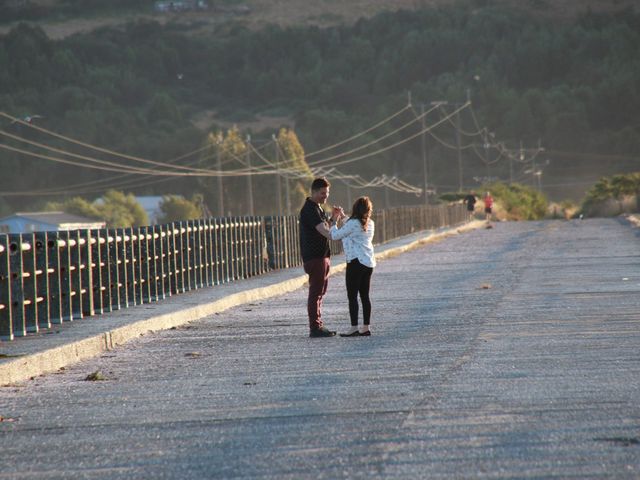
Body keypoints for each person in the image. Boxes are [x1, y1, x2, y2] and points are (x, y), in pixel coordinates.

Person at [299, 177, 341, 338]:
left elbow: (325, 227)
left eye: (327, 193)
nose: (326, 196)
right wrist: (344, 234)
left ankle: (318, 325)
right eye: (323, 193)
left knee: (321, 292)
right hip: (314, 257)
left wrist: (334, 218)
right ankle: (314, 327)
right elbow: (325, 231)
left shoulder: (318, 208)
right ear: (314, 192)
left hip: (322, 256)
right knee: (316, 292)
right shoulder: (310, 209)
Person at [330, 196, 376, 337]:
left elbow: (335, 236)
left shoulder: (353, 223)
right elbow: (352, 228)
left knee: (352, 296)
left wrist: (333, 221)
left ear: (355, 208)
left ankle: (354, 327)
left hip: (355, 262)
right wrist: (343, 217)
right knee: (365, 296)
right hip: (368, 262)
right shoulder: (370, 223)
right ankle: (365, 327)